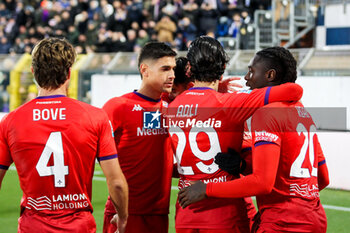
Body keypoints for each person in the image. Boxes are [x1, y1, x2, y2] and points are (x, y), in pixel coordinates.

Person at [178, 46, 329, 232]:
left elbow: (262, 183)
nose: (246, 78)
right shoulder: (303, 114)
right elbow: (323, 178)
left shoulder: (266, 114)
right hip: (315, 219)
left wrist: (206, 189)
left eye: (251, 71)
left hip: (282, 223)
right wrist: (243, 167)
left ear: (270, 75)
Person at [0, 38, 128, 232]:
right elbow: (116, 182)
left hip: (33, 227)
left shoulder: (11, 121)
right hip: (79, 226)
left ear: (33, 73)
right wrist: (124, 218)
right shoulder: (95, 117)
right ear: (69, 74)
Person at [102, 42, 177, 233]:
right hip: (124, 214)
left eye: (173, 69)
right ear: (145, 70)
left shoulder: (172, 108)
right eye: (165, 69)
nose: (172, 75)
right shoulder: (118, 107)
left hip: (159, 214)